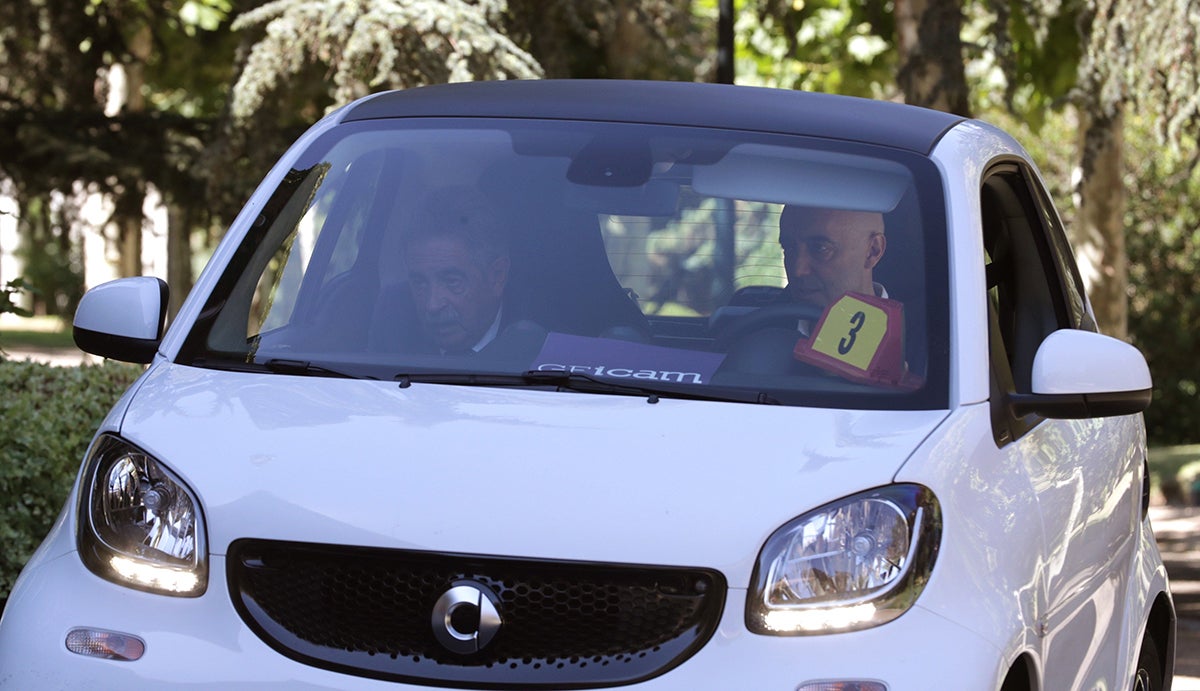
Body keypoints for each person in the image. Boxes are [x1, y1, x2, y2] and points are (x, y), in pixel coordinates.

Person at [400, 190, 512, 354]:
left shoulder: (544, 348)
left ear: (497, 276)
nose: (432, 305)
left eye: (452, 281)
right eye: (420, 283)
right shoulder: (391, 333)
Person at [777, 205, 888, 308]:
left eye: (821, 248)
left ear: (872, 251)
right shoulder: (767, 324)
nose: (798, 270)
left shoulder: (903, 327)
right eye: (789, 248)